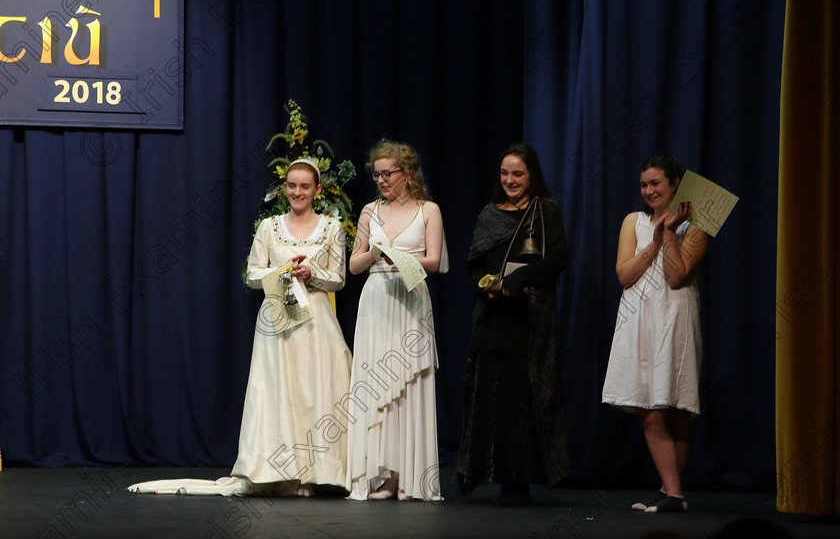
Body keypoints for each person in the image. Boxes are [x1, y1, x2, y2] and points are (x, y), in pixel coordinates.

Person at [128, 158, 352, 496]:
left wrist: (312, 274)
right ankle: (282, 473)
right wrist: (283, 272)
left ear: (317, 190)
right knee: (279, 394)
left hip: (316, 320)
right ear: (285, 187)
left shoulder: (332, 227)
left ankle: (318, 473)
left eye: (305, 186)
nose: (297, 192)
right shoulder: (268, 226)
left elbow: (339, 279)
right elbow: (252, 275)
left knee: (314, 392)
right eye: (292, 185)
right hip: (278, 318)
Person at [457, 142, 571, 507]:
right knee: (488, 398)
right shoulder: (489, 214)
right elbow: (474, 264)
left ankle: (517, 481)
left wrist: (520, 280)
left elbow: (557, 258)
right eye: (505, 173)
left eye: (517, 174)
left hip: (529, 321)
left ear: (532, 175)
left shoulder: (545, 211)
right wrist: (485, 287)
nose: (510, 180)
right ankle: (479, 473)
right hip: (492, 320)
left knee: (523, 401)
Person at [601, 153, 709, 513]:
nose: (648, 190)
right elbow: (624, 274)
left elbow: (676, 275)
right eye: (644, 184)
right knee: (648, 406)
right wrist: (656, 238)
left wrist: (671, 236)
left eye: (656, 183)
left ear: (675, 184)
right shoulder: (633, 221)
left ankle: (672, 492)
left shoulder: (697, 224)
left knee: (673, 406)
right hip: (638, 316)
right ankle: (671, 490)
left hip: (674, 315)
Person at [346, 140, 446, 501]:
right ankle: (382, 478)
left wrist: (402, 256)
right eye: (377, 175)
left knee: (408, 384)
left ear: (407, 173)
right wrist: (375, 252)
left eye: (388, 173)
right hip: (376, 299)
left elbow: (436, 260)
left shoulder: (428, 210)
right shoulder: (370, 211)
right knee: (377, 385)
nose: (382, 181)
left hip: (410, 295)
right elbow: (354, 265)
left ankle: (410, 478)